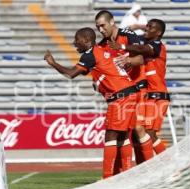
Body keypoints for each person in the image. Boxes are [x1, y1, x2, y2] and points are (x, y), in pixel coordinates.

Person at [44, 27, 142, 179]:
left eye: (77, 41)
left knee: (111, 135)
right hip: (129, 92)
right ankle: (126, 174)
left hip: (120, 96)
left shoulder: (90, 55)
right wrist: (101, 83)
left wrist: (53, 63)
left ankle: (107, 178)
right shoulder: (101, 51)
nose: (74, 44)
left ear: (85, 40)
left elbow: (71, 74)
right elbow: (105, 70)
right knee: (122, 135)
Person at [95, 10, 154, 166]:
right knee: (124, 132)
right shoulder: (101, 46)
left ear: (112, 22)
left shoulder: (128, 35)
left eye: (103, 25)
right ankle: (129, 172)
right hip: (122, 92)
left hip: (139, 87)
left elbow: (142, 58)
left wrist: (129, 60)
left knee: (139, 129)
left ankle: (154, 168)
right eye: (98, 27)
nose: (101, 30)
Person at [110, 19, 170, 155]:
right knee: (139, 131)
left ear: (159, 32)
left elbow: (141, 48)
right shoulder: (146, 44)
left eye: (150, 27)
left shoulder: (157, 45)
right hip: (148, 95)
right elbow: (127, 33)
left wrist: (122, 47)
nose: (147, 28)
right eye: (147, 26)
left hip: (158, 95)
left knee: (149, 132)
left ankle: (171, 166)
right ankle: (150, 165)